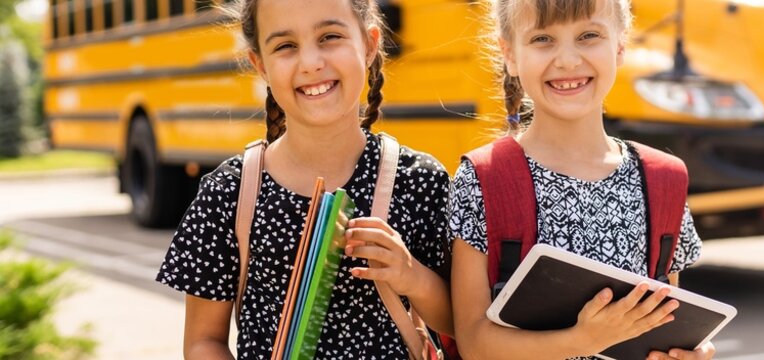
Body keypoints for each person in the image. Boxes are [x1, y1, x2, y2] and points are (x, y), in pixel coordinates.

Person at [155, 0, 452, 358]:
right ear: (260, 65)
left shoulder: (419, 181)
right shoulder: (228, 195)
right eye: (285, 46)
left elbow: (460, 324)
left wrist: (412, 276)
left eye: (329, 36)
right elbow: (204, 342)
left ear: (370, 45)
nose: (310, 62)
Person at [448, 0, 713, 359]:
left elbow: (662, 322)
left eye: (588, 35)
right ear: (509, 54)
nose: (568, 60)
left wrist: (686, 353)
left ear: (620, 44)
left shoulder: (662, 180)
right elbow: (474, 343)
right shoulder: (484, 179)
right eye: (543, 39)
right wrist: (583, 340)